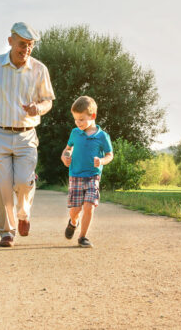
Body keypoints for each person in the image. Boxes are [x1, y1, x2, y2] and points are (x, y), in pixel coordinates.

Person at [0, 22, 55, 247]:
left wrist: (39, 108)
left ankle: (24, 214)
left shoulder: (39, 69)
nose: (26, 50)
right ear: (10, 41)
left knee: (23, 182)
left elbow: (48, 100)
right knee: (3, 185)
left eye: (30, 46)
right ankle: (7, 232)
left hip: (26, 135)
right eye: (22, 44)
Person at [61, 96, 113, 248]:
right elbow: (67, 149)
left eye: (82, 119)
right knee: (75, 210)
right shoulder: (75, 133)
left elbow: (110, 155)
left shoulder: (102, 136)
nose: (78, 123)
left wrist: (102, 161)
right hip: (76, 175)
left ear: (93, 116)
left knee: (89, 206)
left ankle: (82, 237)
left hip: (93, 176)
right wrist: (65, 157)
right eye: (76, 119)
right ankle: (73, 222)